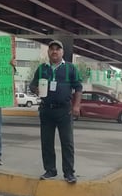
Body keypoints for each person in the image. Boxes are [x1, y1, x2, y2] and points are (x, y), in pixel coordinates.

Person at [29, 40, 82, 183]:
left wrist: (76, 106)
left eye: (57, 49)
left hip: (64, 111)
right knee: (46, 142)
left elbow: (78, 88)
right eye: (51, 49)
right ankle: (50, 170)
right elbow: (32, 85)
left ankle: (69, 173)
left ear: (62, 52)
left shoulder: (70, 68)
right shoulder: (42, 69)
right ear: (48, 52)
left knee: (67, 143)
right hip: (46, 110)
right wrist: (35, 89)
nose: (54, 51)